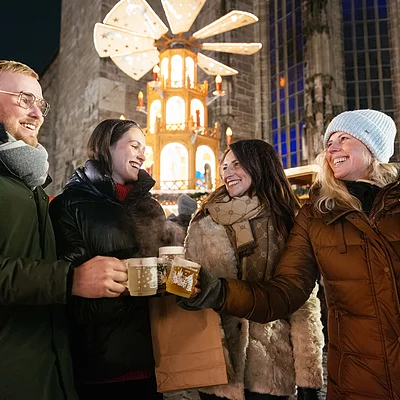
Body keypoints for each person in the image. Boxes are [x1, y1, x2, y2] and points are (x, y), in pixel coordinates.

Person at [182, 110, 400, 399]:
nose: (331, 148)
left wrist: (307, 374)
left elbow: (305, 311)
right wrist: (220, 292)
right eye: (329, 141)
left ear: (373, 147)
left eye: (344, 138)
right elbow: (287, 291)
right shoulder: (317, 214)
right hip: (357, 375)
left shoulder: (288, 216)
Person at [0, 60, 127, 400]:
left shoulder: (30, 183)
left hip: (45, 371)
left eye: (40, 104)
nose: (38, 114)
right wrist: (70, 279)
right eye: (24, 99)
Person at [49, 119, 182, 399]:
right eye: (134, 146)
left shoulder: (150, 207)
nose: (142, 154)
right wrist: (122, 286)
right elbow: (62, 290)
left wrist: (179, 278)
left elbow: (164, 273)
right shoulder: (69, 205)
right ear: (106, 147)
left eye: (145, 149)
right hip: (99, 367)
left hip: (154, 361)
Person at [182, 140, 324, 400]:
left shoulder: (288, 221)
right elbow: (189, 284)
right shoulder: (204, 222)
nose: (228, 173)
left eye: (237, 164)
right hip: (217, 365)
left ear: (260, 165)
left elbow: (304, 303)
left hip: (269, 367)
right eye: (224, 166)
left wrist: (309, 376)